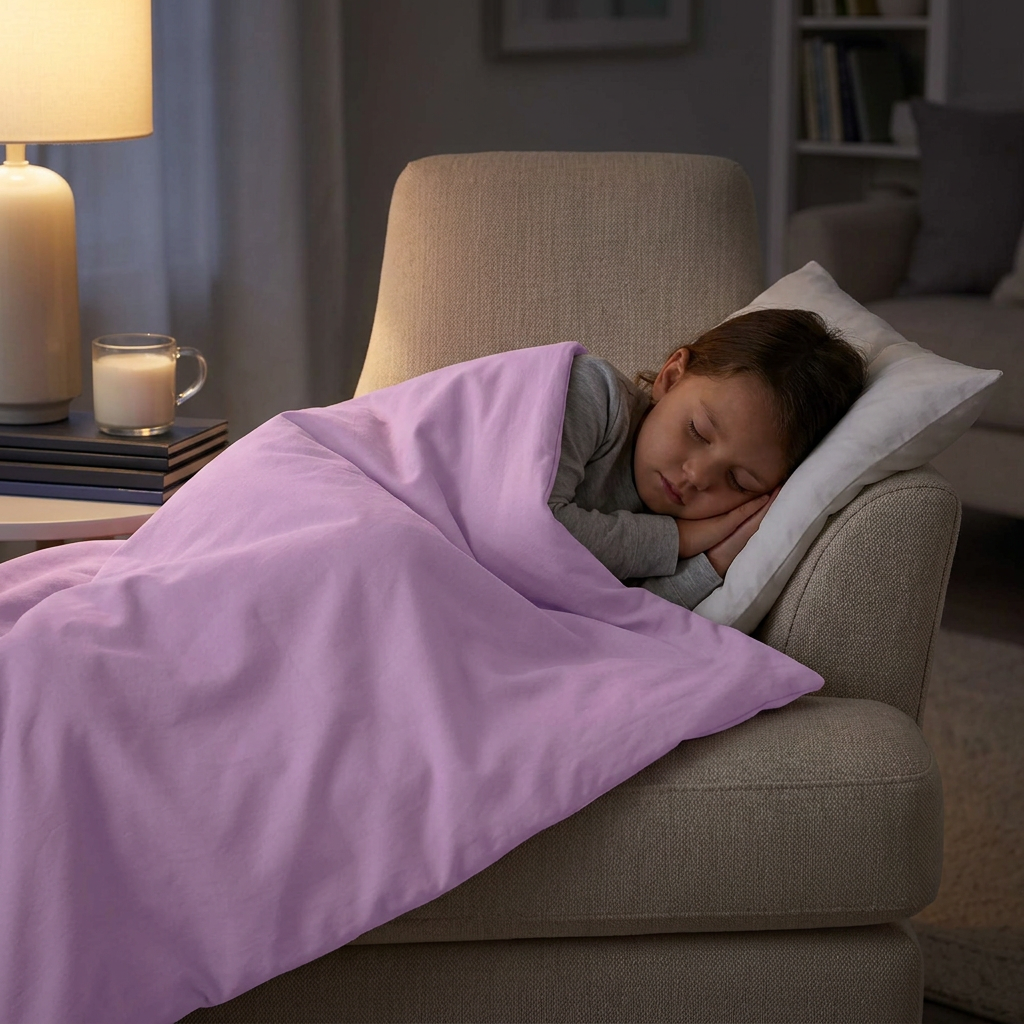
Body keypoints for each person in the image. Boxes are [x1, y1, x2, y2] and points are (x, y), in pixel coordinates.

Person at [548, 307, 868, 609]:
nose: (698, 476)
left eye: (738, 481)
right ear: (671, 377)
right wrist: (678, 540)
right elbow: (533, 529)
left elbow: (618, 622)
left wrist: (717, 560)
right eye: (698, 431)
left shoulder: (702, 533)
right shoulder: (592, 390)